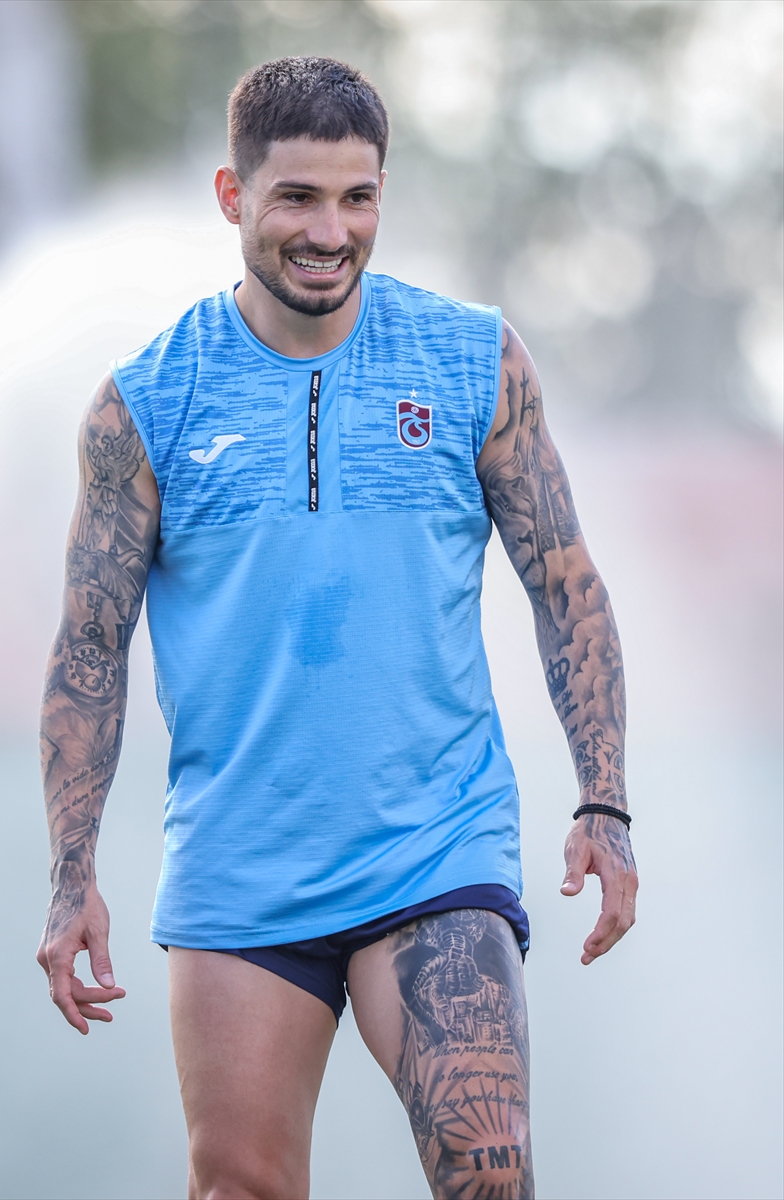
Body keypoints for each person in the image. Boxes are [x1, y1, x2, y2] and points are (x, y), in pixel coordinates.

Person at [36, 57, 637, 1200]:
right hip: (240, 871)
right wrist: (72, 879)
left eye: (358, 197)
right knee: (241, 1189)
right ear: (232, 196)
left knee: (488, 1173)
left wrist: (603, 800)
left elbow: (567, 585)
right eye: (298, 198)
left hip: (435, 846)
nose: (331, 231)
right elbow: (88, 653)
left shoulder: (474, 361)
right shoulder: (145, 404)